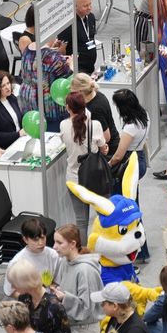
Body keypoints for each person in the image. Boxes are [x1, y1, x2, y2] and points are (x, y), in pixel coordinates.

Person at [60, 91, 107, 232]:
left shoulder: (63, 125)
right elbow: (103, 148)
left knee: (81, 222)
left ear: (68, 108)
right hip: (95, 178)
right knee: (103, 216)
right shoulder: (96, 125)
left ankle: (83, 253)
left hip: (74, 180)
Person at [17, 32, 72, 133]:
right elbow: (68, 77)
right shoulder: (52, 56)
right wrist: (71, 64)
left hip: (28, 103)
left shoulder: (28, 49)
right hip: (48, 107)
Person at [70, 73, 119, 158]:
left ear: (80, 92)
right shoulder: (97, 95)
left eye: (73, 92)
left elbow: (106, 137)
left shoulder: (94, 109)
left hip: (108, 152)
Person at [109, 89, 149, 177]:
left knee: (123, 189)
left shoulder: (130, 128)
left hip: (130, 163)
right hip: (140, 157)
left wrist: (108, 165)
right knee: (132, 188)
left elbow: (118, 157)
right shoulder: (144, 115)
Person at [55, 0, 97, 74]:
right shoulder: (68, 24)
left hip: (90, 68)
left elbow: (91, 37)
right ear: (75, 6)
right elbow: (61, 50)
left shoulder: (91, 17)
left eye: (90, 4)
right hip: (77, 70)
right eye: (85, 6)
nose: (89, 7)